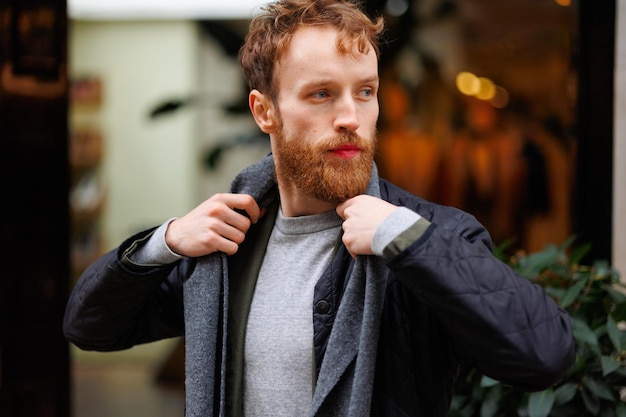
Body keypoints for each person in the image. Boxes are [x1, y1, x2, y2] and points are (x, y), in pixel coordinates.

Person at [63, 0, 575, 416]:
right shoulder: (227, 246)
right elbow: (89, 328)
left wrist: (407, 240)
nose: (351, 116)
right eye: (322, 94)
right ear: (265, 111)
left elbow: (545, 355)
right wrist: (166, 241)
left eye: (366, 92)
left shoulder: (428, 236)